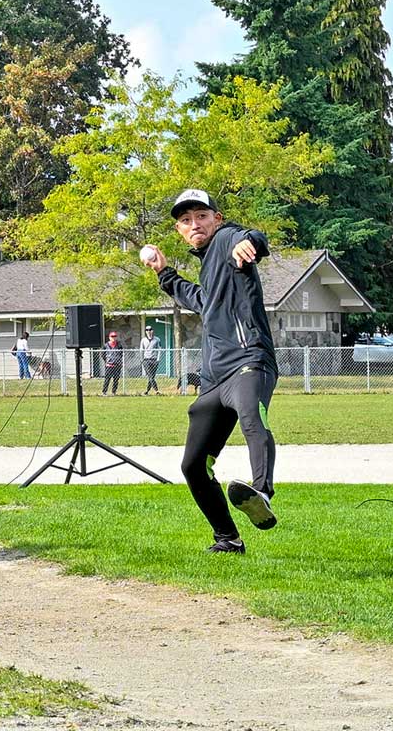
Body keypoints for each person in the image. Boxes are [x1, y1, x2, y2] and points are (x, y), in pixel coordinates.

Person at [142, 188, 279, 555]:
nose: (194, 223)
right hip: (215, 379)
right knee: (193, 465)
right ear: (180, 231)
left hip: (250, 360)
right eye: (185, 220)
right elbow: (201, 301)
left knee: (252, 417)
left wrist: (248, 242)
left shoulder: (227, 240)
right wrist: (164, 273)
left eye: (201, 215)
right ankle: (228, 539)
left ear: (216, 219)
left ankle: (261, 492)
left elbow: (252, 238)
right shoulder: (210, 266)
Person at [140, 325, 163, 395]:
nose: (148, 331)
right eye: (147, 330)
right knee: (150, 376)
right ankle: (157, 390)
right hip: (146, 360)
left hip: (154, 360)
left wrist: (158, 359)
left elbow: (160, 349)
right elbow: (141, 349)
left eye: (150, 330)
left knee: (152, 377)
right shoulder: (143, 340)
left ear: (152, 331)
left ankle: (147, 391)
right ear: (145, 331)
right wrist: (141, 359)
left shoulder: (157, 339)